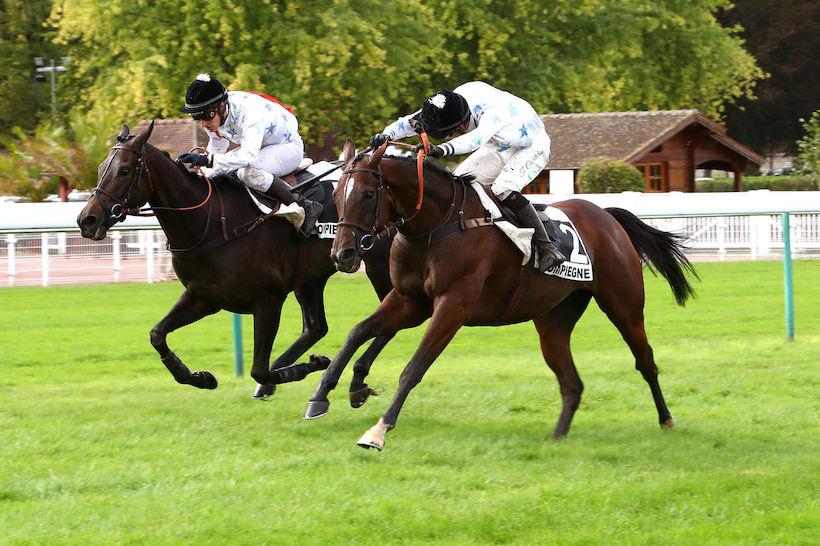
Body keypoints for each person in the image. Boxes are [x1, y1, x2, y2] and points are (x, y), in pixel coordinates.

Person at [370, 81, 565, 272]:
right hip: (499, 144)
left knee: (503, 188)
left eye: (450, 135)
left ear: (461, 126)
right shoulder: (451, 104)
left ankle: (546, 246)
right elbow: (411, 121)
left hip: (533, 146)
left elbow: (475, 140)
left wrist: (441, 149)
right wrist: (386, 135)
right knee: (458, 184)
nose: (450, 138)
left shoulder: (493, 114)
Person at [177, 73, 322, 236]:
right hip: (264, 148)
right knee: (218, 173)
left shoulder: (250, 112)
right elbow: (218, 145)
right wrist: (202, 176)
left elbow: (247, 157)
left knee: (247, 172)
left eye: (205, 116)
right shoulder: (216, 115)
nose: (203, 123)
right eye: (198, 117)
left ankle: (306, 205)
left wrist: (208, 160)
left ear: (221, 106)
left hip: (288, 147)